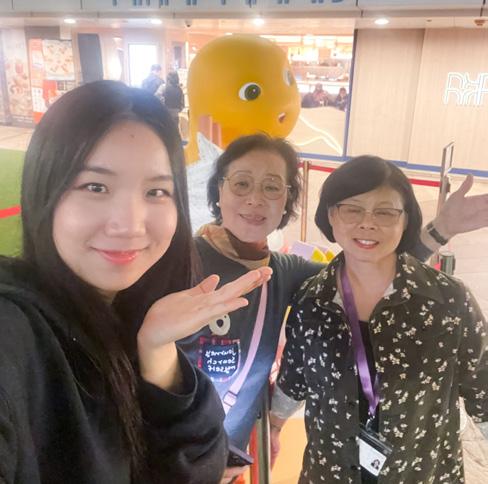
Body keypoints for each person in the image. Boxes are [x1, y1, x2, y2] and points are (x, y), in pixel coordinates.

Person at [0, 80, 272, 484]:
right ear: (45, 191)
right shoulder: (14, 330)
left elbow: (191, 472)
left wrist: (158, 351)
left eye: (156, 191)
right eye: (96, 187)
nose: (129, 224)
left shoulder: (130, 317)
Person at [175, 134, 488, 483]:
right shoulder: (178, 262)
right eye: (241, 183)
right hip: (171, 452)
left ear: (287, 200)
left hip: (227, 454)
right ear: (218, 189)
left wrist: (440, 230)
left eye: (271, 187)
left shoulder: (290, 275)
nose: (255, 199)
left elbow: (371, 262)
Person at [270, 155, 488, 483]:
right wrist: (272, 427)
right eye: (352, 209)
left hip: (419, 474)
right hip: (330, 473)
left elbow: (483, 389)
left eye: (385, 212)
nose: (367, 223)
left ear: (406, 219)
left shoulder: (448, 302)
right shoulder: (312, 300)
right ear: (331, 215)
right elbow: (294, 379)